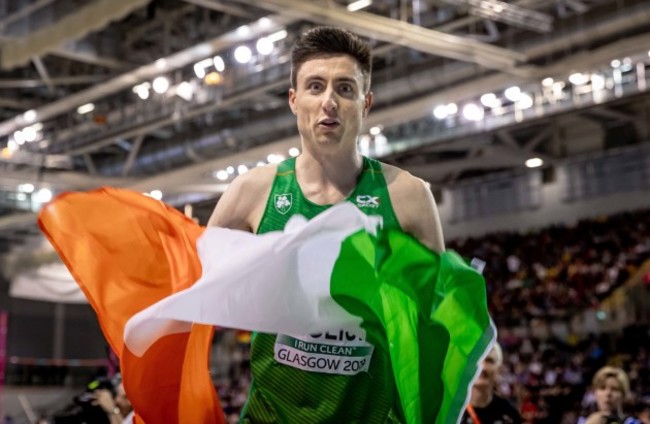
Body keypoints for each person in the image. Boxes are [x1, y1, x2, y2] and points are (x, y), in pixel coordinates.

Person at [208, 26, 445, 423]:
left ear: (366, 103)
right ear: (293, 99)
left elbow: (436, 318)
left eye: (345, 89)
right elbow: (198, 292)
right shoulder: (251, 192)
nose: (329, 102)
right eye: (315, 87)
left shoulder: (407, 195)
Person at [460, 343, 522, 424]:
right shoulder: (451, 410)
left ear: (499, 369)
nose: (483, 367)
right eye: (477, 360)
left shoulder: (510, 413)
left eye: (489, 361)